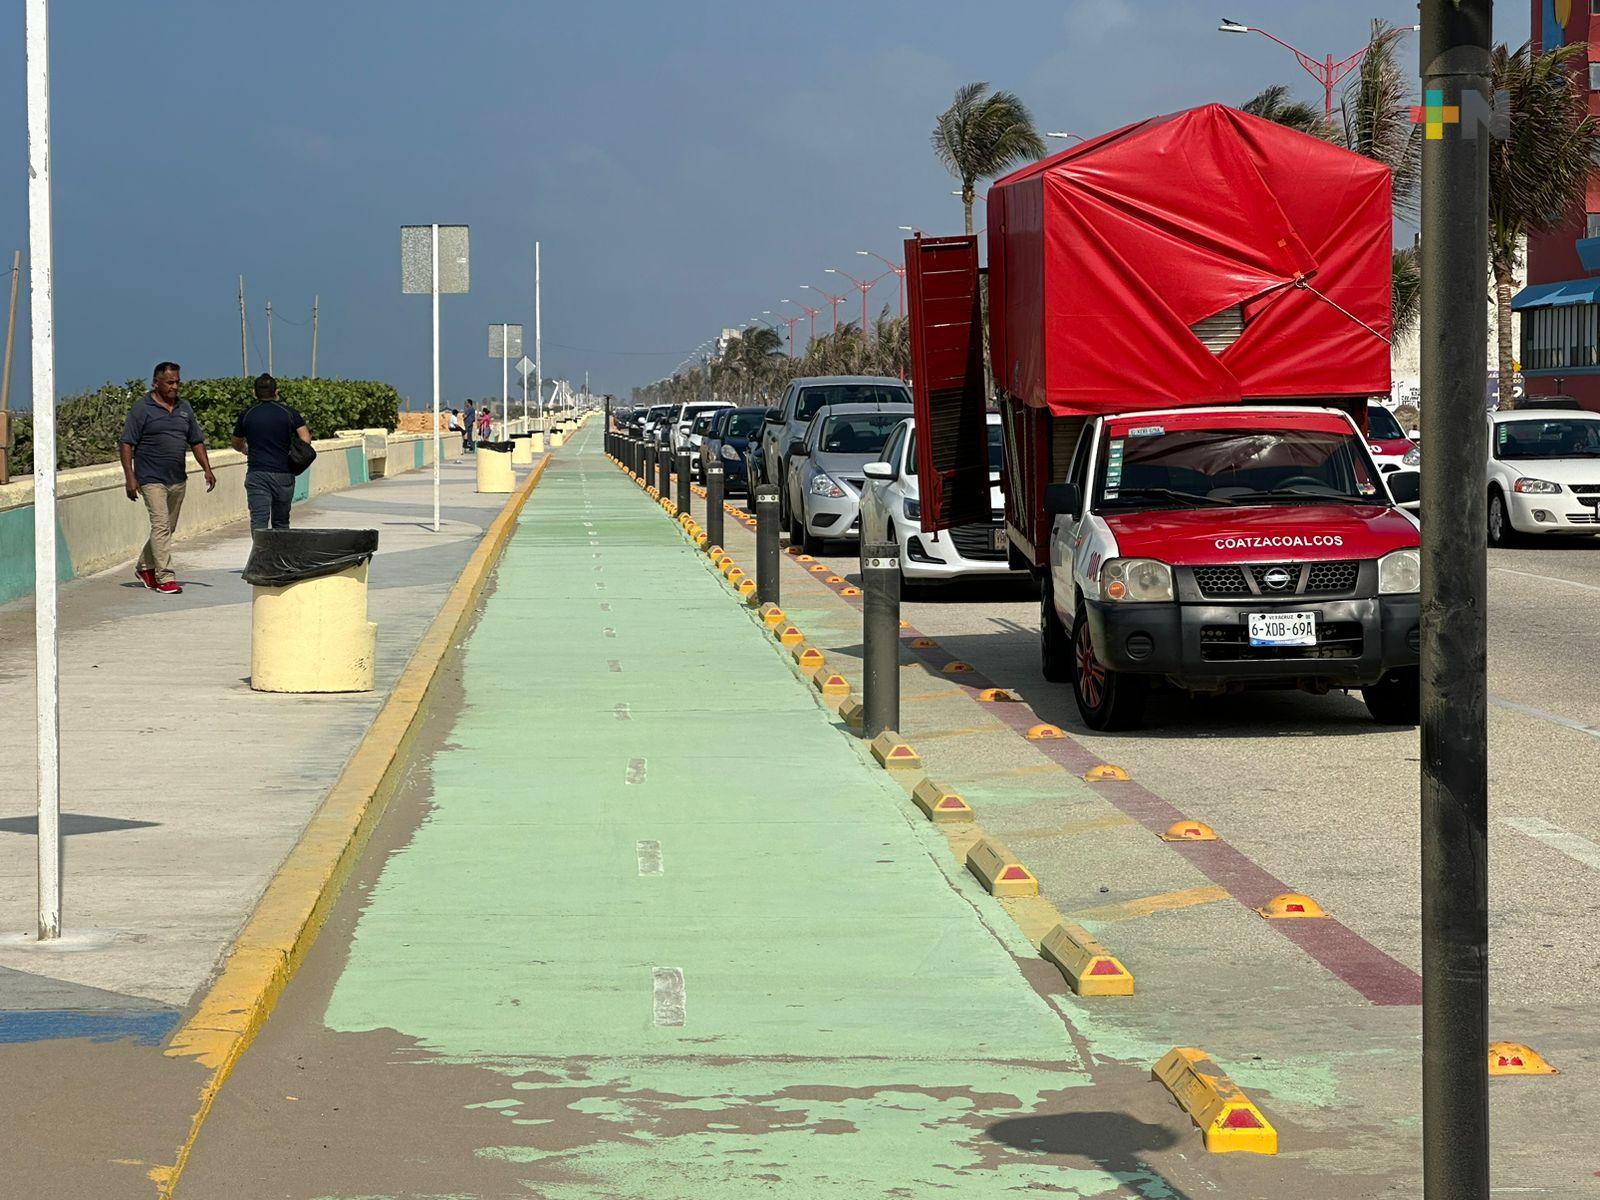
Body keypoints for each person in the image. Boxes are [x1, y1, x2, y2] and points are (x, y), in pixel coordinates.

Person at [120, 361, 216, 595]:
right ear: (156, 383)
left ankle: (144, 567)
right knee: (161, 526)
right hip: (151, 478)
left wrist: (207, 469)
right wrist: (130, 477)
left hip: (177, 478)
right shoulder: (142, 408)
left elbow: (196, 441)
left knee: (167, 528)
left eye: (177, 382)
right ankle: (165, 577)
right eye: (170, 382)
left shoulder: (185, 408)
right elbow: (126, 443)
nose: (175, 386)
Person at [232, 374, 311, 531]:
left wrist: (244, 449)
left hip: (257, 474)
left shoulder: (247, 414)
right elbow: (305, 438)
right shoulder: (289, 413)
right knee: (281, 522)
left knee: (259, 523)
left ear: (254, 393)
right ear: (277, 392)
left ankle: (261, 555)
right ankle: (280, 554)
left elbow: (236, 442)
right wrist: (294, 454)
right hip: (284, 474)